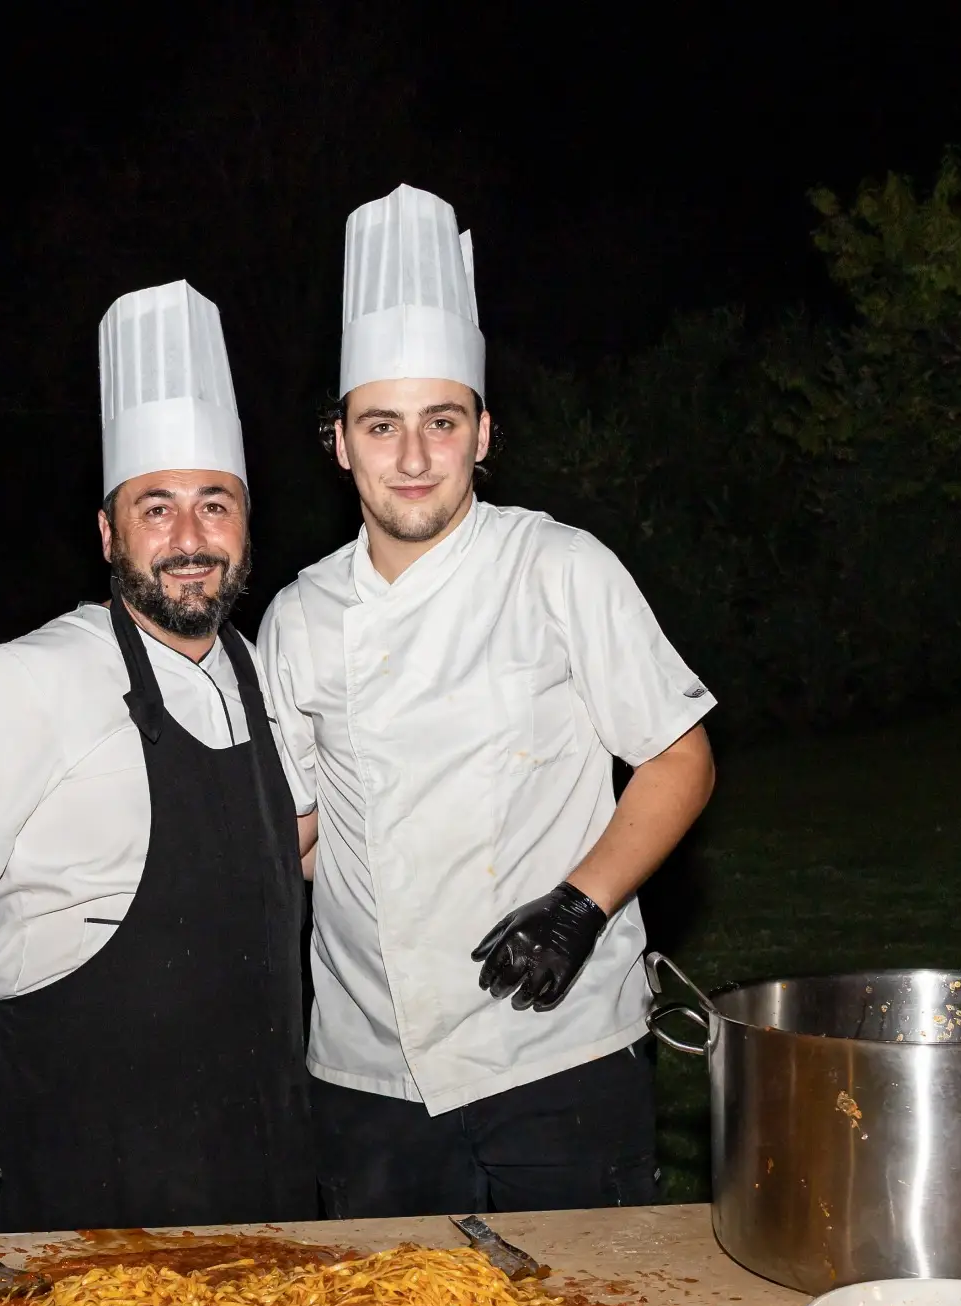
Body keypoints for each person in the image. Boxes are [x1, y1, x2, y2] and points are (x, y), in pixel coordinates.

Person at [257, 185, 717, 1219]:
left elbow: (678, 758)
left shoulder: (557, 566)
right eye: (381, 426)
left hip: (556, 1052)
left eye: (440, 422)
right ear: (337, 442)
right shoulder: (297, 617)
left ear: (482, 432)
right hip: (366, 1071)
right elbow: (293, 833)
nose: (412, 457)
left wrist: (578, 905)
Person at [0, 280, 313, 1233]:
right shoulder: (29, 676)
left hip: (257, 1137)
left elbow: (294, 848)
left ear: (247, 524)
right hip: (82, 1144)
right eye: (156, 510)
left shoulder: (263, 668)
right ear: (110, 533)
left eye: (216, 506)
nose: (191, 540)